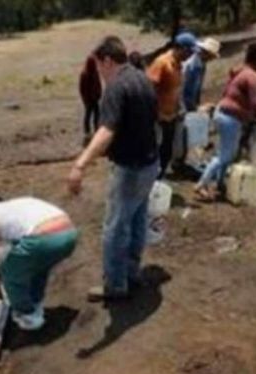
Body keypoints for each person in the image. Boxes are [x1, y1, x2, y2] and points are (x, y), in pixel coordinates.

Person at [67, 36, 160, 301]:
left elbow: (106, 129)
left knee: (115, 229)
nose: (100, 74)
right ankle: (132, 273)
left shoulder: (117, 87)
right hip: (150, 163)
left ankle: (116, 285)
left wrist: (80, 164)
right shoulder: (142, 77)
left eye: (99, 67)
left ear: (107, 60)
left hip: (131, 168)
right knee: (138, 220)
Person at [0, 194, 78, 331]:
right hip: (69, 233)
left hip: (44, 238)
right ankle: (35, 305)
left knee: (9, 273)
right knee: (37, 267)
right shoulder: (17, 206)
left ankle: (28, 317)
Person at [194, 43, 256, 201]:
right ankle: (201, 185)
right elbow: (255, 103)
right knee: (225, 155)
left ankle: (220, 183)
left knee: (227, 153)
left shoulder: (241, 70)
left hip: (224, 114)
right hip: (230, 118)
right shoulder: (251, 76)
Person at [148, 32, 197, 177]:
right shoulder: (162, 63)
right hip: (158, 116)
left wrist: (179, 108)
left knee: (167, 150)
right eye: (188, 52)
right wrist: (156, 113)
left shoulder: (178, 65)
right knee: (155, 150)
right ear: (179, 48)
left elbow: (175, 90)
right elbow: (149, 89)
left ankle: (159, 178)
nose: (190, 56)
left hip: (171, 116)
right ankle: (151, 180)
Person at [182, 37, 221, 112]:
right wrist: (195, 108)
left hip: (192, 105)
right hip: (185, 107)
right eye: (211, 56)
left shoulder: (202, 65)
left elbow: (196, 90)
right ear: (206, 53)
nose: (211, 59)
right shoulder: (191, 66)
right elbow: (185, 91)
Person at [79, 54, 103, 139]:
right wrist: (85, 99)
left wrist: (99, 93)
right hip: (89, 99)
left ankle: (96, 129)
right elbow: (82, 89)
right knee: (88, 115)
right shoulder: (84, 74)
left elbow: (98, 84)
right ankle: (87, 131)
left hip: (95, 97)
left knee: (97, 114)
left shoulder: (95, 72)